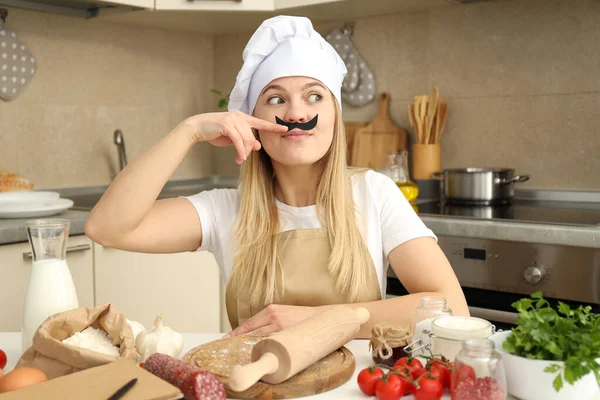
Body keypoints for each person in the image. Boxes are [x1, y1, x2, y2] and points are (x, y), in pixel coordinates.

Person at [85, 15, 469, 339]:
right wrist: (189, 130)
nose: (298, 113)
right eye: (275, 98)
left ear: (335, 116)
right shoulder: (224, 210)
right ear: (253, 121)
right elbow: (108, 228)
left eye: (315, 96)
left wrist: (315, 322)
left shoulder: (373, 193)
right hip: (256, 384)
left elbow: (451, 307)